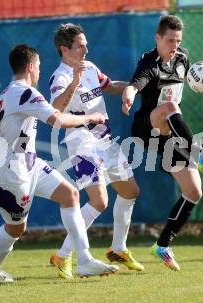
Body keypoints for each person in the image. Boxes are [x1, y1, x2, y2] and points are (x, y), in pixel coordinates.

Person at [0, 44, 119, 283]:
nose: (41, 72)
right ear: (31, 67)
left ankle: (83, 261)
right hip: (13, 175)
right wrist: (91, 117)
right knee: (16, 229)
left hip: (29, 164)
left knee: (70, 195)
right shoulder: (26, 93)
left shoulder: (2, 97)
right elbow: (57, 119)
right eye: (40, 67)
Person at [121, 15, 203, 271]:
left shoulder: (182, 57)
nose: (174, 45)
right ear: (158, 38)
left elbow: (195, 81)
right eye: (170, 40)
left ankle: (162, 244)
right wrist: (128, 97)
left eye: (178, 40)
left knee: (193, 191)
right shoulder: (148, 63)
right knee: (169, 106)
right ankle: (200, 152)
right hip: (148, 126)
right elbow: (134, 86)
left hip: (171, 134)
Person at [47, 23, 143, 279]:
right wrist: (74, 83)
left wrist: (134, 87)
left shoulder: (89, 68)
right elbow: (54, 109)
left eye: (86, 44)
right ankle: (65, 255)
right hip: (81, 141)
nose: (86, 49)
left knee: (130, 190)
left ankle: (118, 248)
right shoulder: (61, 76)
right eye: (80, 45)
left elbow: (109, 86)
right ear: (64, 49)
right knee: (99, 201)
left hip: (105, 140)